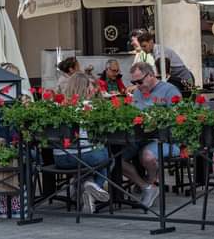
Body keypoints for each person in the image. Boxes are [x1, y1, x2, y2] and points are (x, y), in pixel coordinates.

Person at [122, 61, 182, 208]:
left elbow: (180, 118)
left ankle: (150, 183)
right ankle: (147, 187)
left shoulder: (169, 90)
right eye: (134, 82)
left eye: (139, 81)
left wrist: (158, 120)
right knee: (114, 157)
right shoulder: (138, 92)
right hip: (139, 138)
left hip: (166, 139)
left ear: (151, 75)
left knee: (147, 156)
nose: (137, 85)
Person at [52, 73, 111, 213]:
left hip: (60, 158)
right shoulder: (89, 106)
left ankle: (85, 190)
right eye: (90, 86)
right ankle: (92, 188)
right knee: (107, 157)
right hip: (83, 156)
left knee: (89, 162)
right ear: (86, 88)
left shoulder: (57, 106)